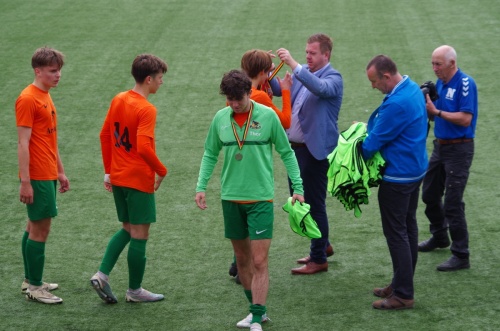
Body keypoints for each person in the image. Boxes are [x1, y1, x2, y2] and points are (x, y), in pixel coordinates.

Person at [195, 70, 304, 331]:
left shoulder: (267, 116)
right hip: (231, 199)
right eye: (230, 99)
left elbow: (287, 153)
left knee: (259, 261)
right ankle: (255, 308)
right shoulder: (221, 119)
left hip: (260, 199)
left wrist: (298, 186)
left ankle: (256, 317)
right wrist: (201, 186)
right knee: (242, 260)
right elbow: (210, 153)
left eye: (238, 99)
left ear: (249, 93)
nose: (234, 104)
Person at [90, 54, 168, 303]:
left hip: (119, 177)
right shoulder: (146, 109)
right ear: (148, 79)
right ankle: (134, 291)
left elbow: (104, 135)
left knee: (127, 227)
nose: (161, 83)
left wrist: (108, 172)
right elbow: (145, 148)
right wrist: (161, 170)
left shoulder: (118, 99)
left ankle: (102, 275)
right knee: (140, 234)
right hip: (137, 179)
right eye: (159, 78)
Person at [362, 55, 428, 310]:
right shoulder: (411, 87)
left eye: (374, 81)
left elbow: (370, 146)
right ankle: (402, 282)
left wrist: (356, 141)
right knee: (408, 228)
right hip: (415, 170)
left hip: (398, 177)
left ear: (387, 76)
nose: (373, 86)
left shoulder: (396, 103)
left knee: (397, 233)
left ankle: (403, 294)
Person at [274, 33, 343, 274]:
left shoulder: (333, 78)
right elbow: (281, 88)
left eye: (312, 53)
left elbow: (321, 88)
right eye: (306, 53)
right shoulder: (304, 74)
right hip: (296, 152)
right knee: (300, 199)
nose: (308, 57)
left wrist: (295, 64)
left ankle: (318, 258)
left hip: (314, 154)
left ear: (326, 54)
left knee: (314, 204)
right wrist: (264, 70)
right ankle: (322, 245)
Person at [228, 49, 293, 283]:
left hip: (237, 157)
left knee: (239, 208)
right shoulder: (260, 97)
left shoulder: (237, 93)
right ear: (264, 72)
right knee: (253, 210)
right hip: (256, 157)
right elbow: (285, 121)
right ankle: (243, 267)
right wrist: (285, 91)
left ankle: (237, 263)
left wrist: (261, 62)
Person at [16, 47, 70, 304]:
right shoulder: (28, 98)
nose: (58, 75)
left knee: (32, 226)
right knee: (40, 228)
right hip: (36, 174)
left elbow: (50, 137)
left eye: (58, 70)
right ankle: (36, 288)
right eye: (52, 71)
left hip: (47, 171)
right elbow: (23, 143)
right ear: (38, 71)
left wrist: (60, 171)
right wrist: (26, 182)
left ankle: (30, 280)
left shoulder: (45, 95)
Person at [418, 45, 478, 272]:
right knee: (430, 194)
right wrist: (425, 106)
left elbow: (465, 119)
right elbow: (433, 116)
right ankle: (440, 236)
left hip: (459, 150)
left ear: (452, 63)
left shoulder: (465, 83)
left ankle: (461, 255)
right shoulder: (440, 84)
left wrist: (437, 112)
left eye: (438, 64)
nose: (434, 68)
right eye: (432, 63)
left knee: (453, 203)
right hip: (440, 147)